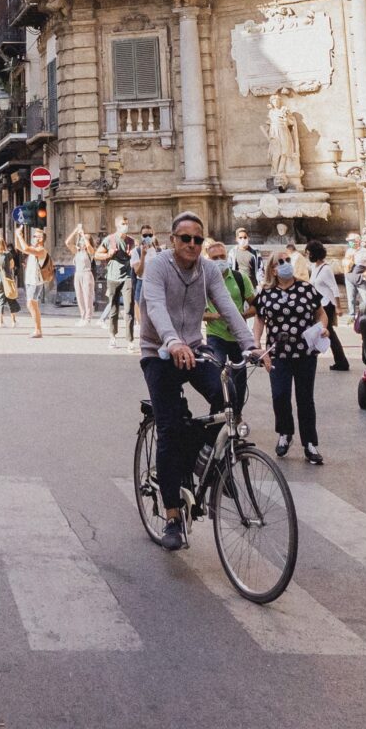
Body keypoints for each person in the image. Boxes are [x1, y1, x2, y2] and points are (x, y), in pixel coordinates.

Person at [136, 212, 258, 550]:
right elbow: (156, 307)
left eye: (197, 239)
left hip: (192, 347)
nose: (192, 244)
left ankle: (203, 454)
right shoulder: (158, 266)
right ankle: (173, 516)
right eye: (185, 238)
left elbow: (229, 308)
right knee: (170, 429)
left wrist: (251, 345)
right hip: (158, 351)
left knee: (229, 393)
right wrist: (171, 341)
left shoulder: (207, 269)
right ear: (173, 239)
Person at [251, 250, 326, 465]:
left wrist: (322, 328)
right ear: (273, 269)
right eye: (280, 262)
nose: (285, 265)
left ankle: (310, 444)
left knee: (305, 398)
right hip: (278, 354)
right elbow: (259, 319)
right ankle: (285, 433)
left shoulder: (306, 289)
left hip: (305, 352)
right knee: (280, 395)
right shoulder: (266, 293)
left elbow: (320, 312)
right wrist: (256, 344)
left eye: (287, 261)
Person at [198, 230, 257, 369]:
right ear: (208, 259)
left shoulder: (241, 278)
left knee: (240, 379)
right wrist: (215, 316)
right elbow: (195, 313)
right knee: (217, 372)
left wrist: (239, 316)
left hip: (237, 335)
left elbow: (255, 306)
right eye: (214, 258)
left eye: (222, 256)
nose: (219, 260)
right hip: (215, 335)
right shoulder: (202, 281)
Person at [303, 241, 351, 372]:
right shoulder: (314, 267)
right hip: (319, 304)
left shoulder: (327, 269)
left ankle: (341, 361)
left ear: (314, 253)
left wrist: (338, 307)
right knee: (323, 332)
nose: (307, 255)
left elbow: (334, 288)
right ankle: (339, 361)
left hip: (327, 305)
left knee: (328, 332)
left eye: (308, 253)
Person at [102, 230, 135, 342]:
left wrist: (134, 253)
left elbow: (137, 256)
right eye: (122, 224)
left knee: (129, 309)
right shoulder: (110, 239)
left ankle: (130, 340)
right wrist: (108, 254)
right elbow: (97, 254)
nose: (125, 227)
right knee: (113, 308)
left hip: (127, 277)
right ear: (117, 226)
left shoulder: (131, 241)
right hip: (112, 277)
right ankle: (112, 335)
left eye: (126, 224)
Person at [20, 228, 46, 339]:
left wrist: (19, 236)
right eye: (34, 236)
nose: (34, 238)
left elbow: (25, 248)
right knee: (33, 305)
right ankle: (38, 329)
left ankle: (38, 330)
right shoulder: (34, 249)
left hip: (35, 281)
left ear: (41, 239)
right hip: (30, 281)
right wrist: (18, 236)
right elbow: (20, 248)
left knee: (31, 304)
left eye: (36, 236)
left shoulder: (41, 250)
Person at [69, 225, 96, 325]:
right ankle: (82, 316)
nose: (82, 241)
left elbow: (89, 247)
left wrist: (84, 236)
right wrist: (75, 231)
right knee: (79, 296)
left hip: (87, 274)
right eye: (81, 239)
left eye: (84, 240)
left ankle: (88, 318)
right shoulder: (77, 251)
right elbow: (67, 243)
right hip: (78, 274)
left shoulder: (90, 252)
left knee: (87, 296)